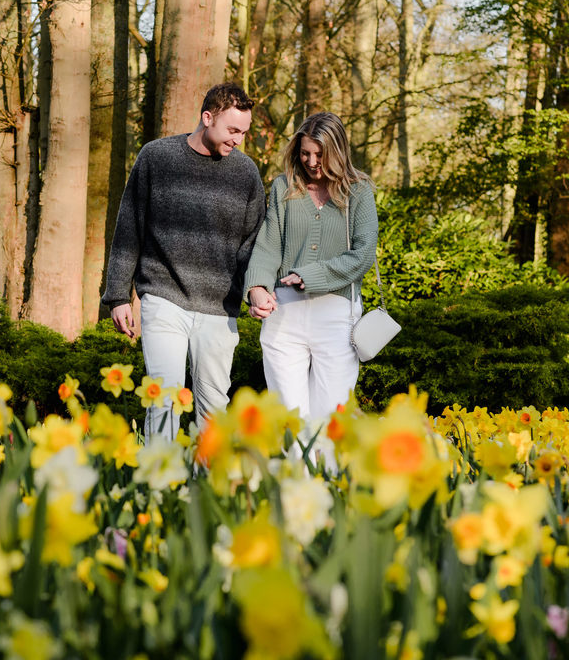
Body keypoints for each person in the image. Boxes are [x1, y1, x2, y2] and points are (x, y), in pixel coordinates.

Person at [102, 82, 266, 440]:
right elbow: (129, 226)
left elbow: (255, 243)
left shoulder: (246, 174)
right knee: (163, 399)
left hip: (219, 308)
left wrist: (256, 288)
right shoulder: (156, 158)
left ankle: (206, 491)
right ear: (207, 118)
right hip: (163, 297)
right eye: (233, 130)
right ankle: (160, 490)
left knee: (214, 409)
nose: (238, 139)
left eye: (244, 132)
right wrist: (117, 295)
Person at [243, 112, 378, 468]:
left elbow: (363, 254)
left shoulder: (359, 191)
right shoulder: (282, 187)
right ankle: (295, 499)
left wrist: (313, 275)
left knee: (332, 415)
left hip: (336, 314)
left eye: (320, 155)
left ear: (339, 151)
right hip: (284, 315)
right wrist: (257, 288)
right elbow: (269, 245)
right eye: (305, 154)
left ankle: (333, 500)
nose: (312, 162)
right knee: (290, 414)